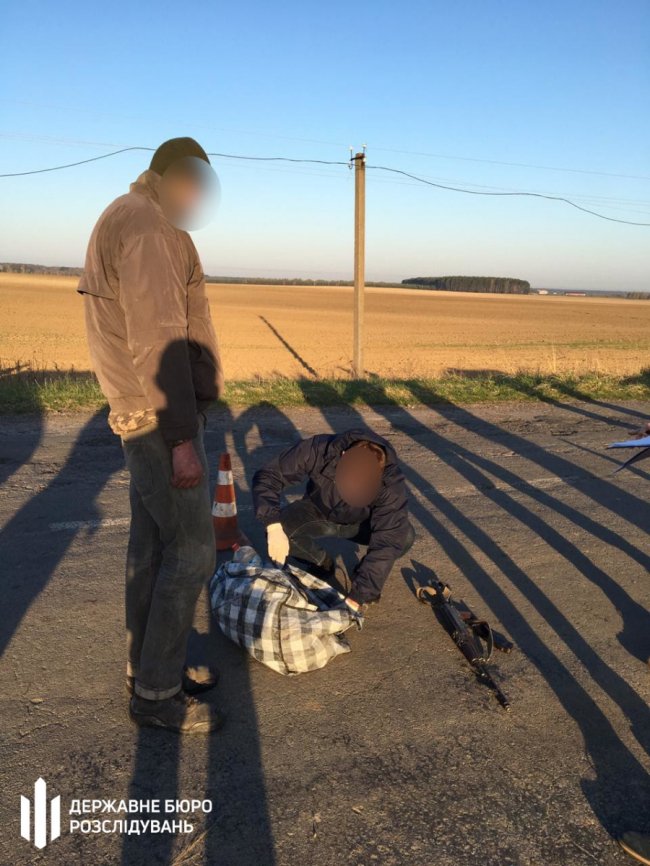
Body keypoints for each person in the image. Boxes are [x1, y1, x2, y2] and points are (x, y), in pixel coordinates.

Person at [78, 137, 224, 734]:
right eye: (190, 183)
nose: (196, 197)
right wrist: (182, 439)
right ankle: (157, 695)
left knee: (152, 550)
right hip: (160, 424)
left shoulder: (126, 214)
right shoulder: (152, 230)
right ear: (166, 177)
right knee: (193, 553)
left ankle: (146, 670)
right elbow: (160, 341)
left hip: (138, 419)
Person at [251, 429, 415, 611]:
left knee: (404, 536)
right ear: (343, 456)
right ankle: (322, 562)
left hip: (361, 523)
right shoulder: (320, 449)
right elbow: (269, 475)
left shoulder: (391, 481)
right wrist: (273, 527)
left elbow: (389, 539)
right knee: (278, 530)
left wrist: (360, 594)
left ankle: (363, 573)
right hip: (318, 509)